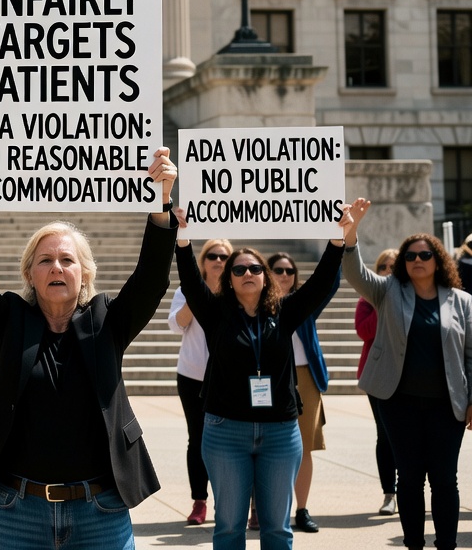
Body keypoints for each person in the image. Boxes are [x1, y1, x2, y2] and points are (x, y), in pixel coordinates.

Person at [0, 146, 178, 550]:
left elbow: (151, 280)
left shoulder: (106, 321)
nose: (56, 267)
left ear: (84, 274)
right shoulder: (9, 321)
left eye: (67, 260)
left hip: (100, 511)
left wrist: (162, 201)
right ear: (30, 274)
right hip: (18, 511)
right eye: (45, 260)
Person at [174, 215, 344, 550]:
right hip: (225, 431)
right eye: (238, 269)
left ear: (266, 277)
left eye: (254, 268)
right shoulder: (214, 313)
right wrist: (182, 240)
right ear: (229, 278)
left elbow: (322, 283)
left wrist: (339, 239)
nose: (247, 274)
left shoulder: (286, 311)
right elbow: (191, 281)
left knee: (277, 529)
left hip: (281, 431)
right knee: (229, 527)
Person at [341, 198, 472, 550]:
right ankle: (413, 544)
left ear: (438, 260)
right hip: (398, 403)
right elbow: (354, 273)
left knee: (445, 479)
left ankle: (447, 544)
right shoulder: (387, 291)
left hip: (448, 406)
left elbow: (471, 354)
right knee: (410, 479)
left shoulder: (462, 301)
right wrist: (351, 231)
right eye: (410, 256)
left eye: (424, 255)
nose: (416, 260)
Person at [267, 251, 335, 534]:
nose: (285, 275)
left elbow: (330, 282)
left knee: (304, 447)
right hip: (269, 379)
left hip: (304, 376)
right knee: (266, 446)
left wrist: (339, 241)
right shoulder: (257, 306)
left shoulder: (305, 305)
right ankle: (264, 510)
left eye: (290, 271)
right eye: (279, 270)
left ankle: (302, 509)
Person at [167, 235, 230, 527]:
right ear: (202, 261)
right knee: (198, 439)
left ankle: (235, 502)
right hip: (193, 376)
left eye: (224, 256)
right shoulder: (187, 289)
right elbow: (176, 324)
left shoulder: (238, 290)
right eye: (213, 256)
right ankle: (199, 501)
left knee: (233, 441)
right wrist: (197, 295)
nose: (219, 261)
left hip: (229, 378)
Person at [355, 248, 400, 516]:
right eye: (385, 267)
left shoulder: (415, 298)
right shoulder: (368, 299)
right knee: (385, 435)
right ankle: (389, 493)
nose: (390, 271)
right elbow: (363, 331)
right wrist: (384, 305)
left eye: (395, 267)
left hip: (411, 376)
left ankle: (410, 489)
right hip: (378, 377)